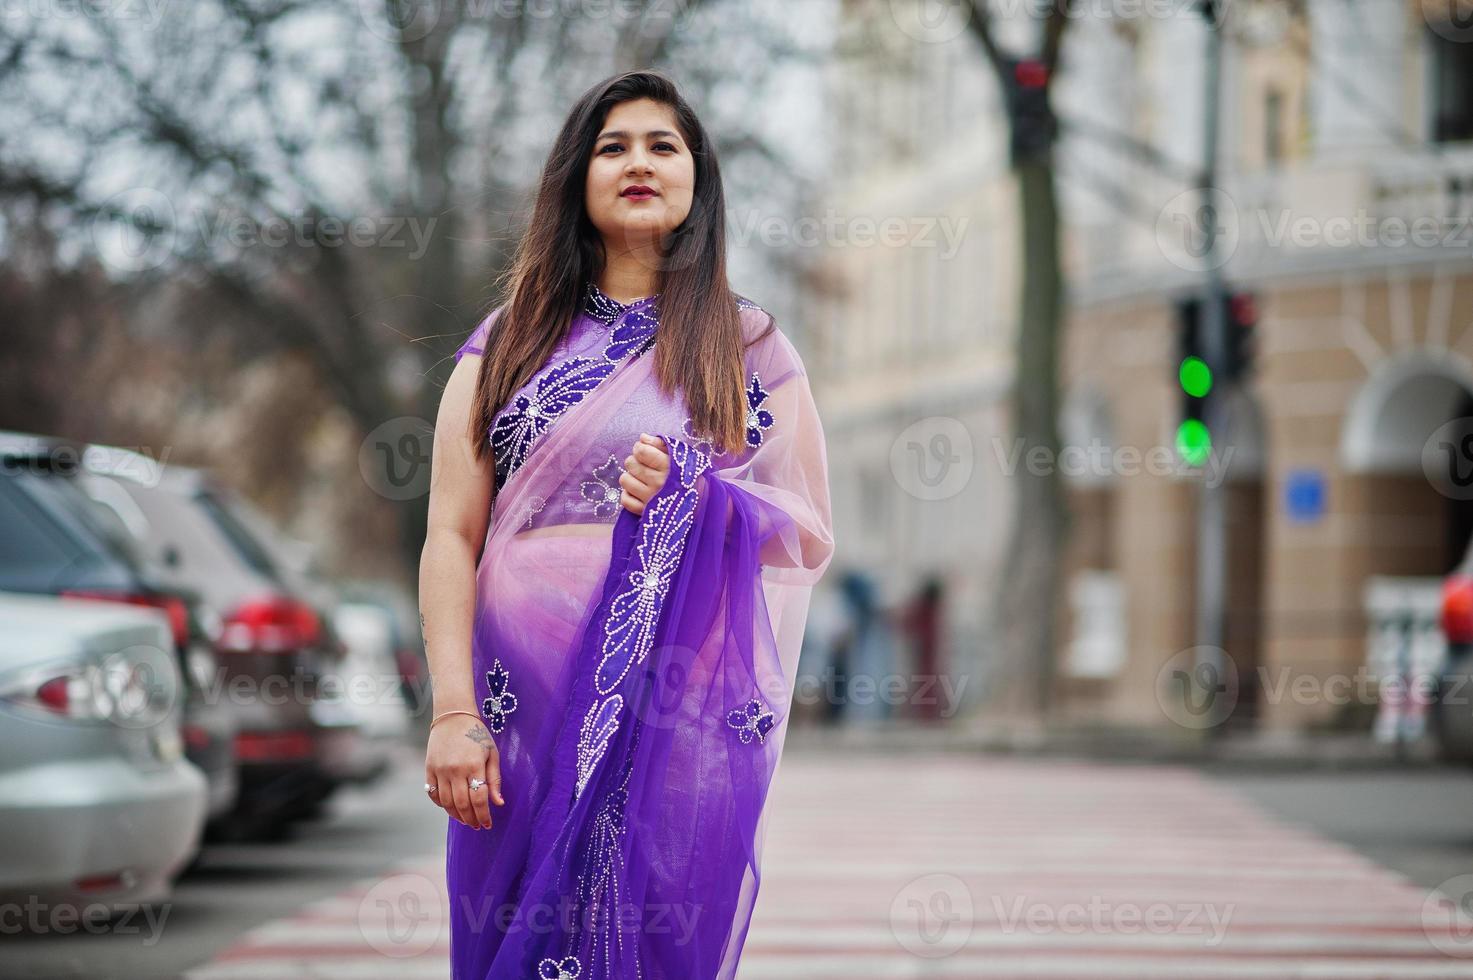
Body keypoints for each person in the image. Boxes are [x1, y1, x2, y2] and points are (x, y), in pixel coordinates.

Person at [419, 69, 834, 980]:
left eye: (662, 145)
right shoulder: (508, 341)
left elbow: (801, 524)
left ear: (697, 179)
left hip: (666, 722)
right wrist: (454, 714)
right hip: (512, 722)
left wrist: (692, 489)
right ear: (577, 178)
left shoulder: (746, 345)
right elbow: (452, 533)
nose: (638, 162)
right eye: (612, 147)